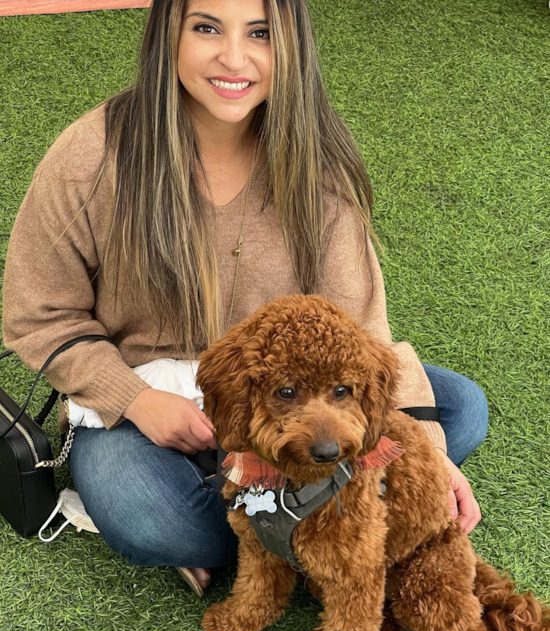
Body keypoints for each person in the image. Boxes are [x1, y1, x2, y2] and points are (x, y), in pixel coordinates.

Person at [2, 0, 487, 597]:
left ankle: (271, 518)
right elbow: (38, 314)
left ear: (291, 46)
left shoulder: (318, 166)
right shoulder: (91, 155)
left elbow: (363, 333)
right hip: (142, 404)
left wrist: (428, 453)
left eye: (260, 33)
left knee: (460, 408)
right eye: (207, 27)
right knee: (154, 520)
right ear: (168, 36)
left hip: (282, 397)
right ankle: (289, 519)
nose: (234, 57)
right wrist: (134, 400)